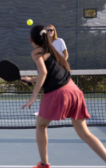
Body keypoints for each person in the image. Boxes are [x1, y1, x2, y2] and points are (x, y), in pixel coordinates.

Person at [21, 25, 106, 168]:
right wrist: (30, 80)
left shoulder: (36, 52)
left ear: (31, 39)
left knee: (41, 126)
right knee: (85, 134)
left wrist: (33, 96)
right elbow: (51, 74)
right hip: (74, 90)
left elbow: (43, 73)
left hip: (58, 93)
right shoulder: (53, 51)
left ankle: (44, 164)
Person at [33, 24, 69, 116]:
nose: (50, 32)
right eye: (48, 30)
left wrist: (61, 64)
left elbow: (66, 55)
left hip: (60, 70)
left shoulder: (60, 41)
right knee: (45, 89)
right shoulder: (44, 44)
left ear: (54, 31)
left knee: (61, 90)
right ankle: (41, 109)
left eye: (51, 30)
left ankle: (63, 108)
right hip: (49, 70)